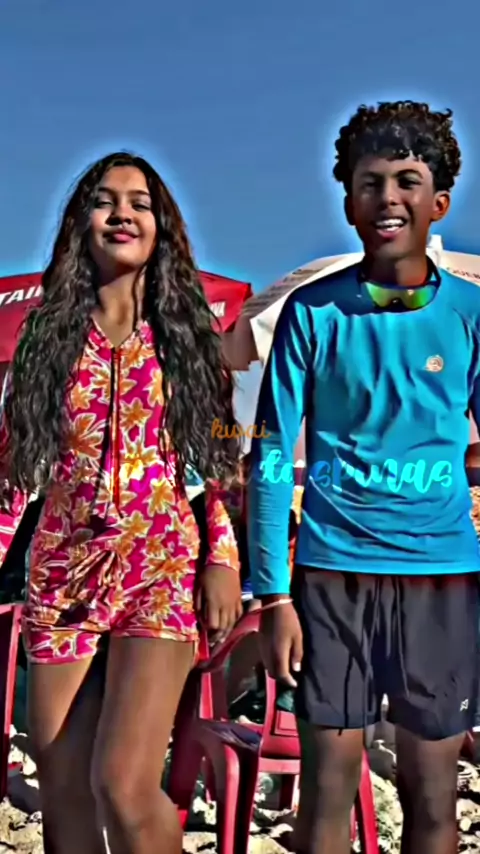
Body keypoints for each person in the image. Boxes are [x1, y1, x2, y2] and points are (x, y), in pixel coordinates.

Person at [248, 101, 480, 854]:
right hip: (330, 579)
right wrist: (272, 594)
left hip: (442, 579)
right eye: (370, 183)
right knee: (325, 796)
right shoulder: (311, 314)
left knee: (433, 797)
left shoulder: (471, 313)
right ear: (348, 203)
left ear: (439, 202)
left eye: (408, 181)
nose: (388, 198)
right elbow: (271, 454)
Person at [0, 152, 242, 854]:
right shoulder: (44, 339)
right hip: (61, 570)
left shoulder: (187, 338)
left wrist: (223, 560)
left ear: (160, 226)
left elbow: (217, 460)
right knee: (61, 780)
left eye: (139, 202)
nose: (122, 213)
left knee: (125, 783)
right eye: (105, 201)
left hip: (159, 566)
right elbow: (14, 469)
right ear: (83, 222)